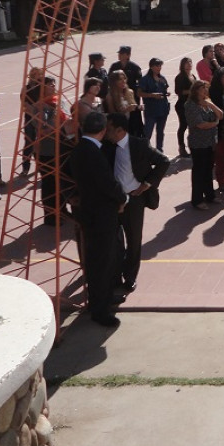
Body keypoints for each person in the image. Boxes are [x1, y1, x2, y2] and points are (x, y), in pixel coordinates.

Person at [70, 112, 128, 327]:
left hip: (92, 212)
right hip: (101, 214)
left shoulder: (79, 150)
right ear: (103, 131)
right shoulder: (93, 153)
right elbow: (107, 183)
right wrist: (122, 197)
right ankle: (100, 309)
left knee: (104, 259)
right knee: (101, 262)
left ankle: (103, 297)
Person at [104, 112, 170, 295]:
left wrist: (146, 185)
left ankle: (130, 276)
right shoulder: (107, 146)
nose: (105, 132)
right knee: (115, 241)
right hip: (115, 200)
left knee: (134, 239)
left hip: (134, 199)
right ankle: (115, 275)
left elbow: (164, 161)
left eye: (109, 129)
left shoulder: (139, 145)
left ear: (120, 130)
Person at [29, 76, 75, 225]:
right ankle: (50, 215)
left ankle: (62, 210)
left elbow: (68, 118)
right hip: (46, 150)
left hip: (62, 146)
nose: (53, 86)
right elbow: (43, 128)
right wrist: (58, 124)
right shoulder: (39, 106)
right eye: (49, 84)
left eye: (54, 83)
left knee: (61, 181)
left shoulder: (59, 101)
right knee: (49, 182)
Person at [184, 80, 222, 210]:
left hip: (211, 141)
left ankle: (210, 195)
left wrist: (211, 105)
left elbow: (220, 115)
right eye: (202, 88)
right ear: (195, 90)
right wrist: (215, 124)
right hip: (198, 143)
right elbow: (200, 124)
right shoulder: (190, 105)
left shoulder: (208, 102)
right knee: (199, 171)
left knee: (208, 170)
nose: (205, 91)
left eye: (206, 88)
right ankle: (197, 199)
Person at [138, 57, 171, 152]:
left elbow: (165, 89)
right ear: (151, 67)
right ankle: (144, 151)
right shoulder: (145, 79)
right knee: (148, 132)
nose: (159, 67)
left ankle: (159, 150)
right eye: (157, 65)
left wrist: (166, 94)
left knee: (160, 132)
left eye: (160, 65)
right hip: (151, 110)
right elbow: (139, 93)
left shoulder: (162, 78)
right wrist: (151, 95)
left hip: (163, 109)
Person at [109, 46, 144, 137]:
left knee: (134, 117)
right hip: (117, 94)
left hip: (130, 94)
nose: (119, 55)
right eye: (119, 53)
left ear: (128, 55)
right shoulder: (114, 66)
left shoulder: (134, 67)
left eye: (121, 54)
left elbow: (140, 82)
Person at [174, 57, 196, 158]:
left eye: (190, 62)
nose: (189, 64)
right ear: (182, 65)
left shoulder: (193, 76)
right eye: (186, 63)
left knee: (193, 126)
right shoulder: (180, 77)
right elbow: (178, 91)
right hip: (182, 105)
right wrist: (191, 91)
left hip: (192, 104)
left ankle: (192, 145)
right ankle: (181, 147)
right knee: (183, 125)